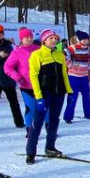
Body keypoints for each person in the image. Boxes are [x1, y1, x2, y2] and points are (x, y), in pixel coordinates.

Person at [25, 29, 72, 164]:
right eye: (51, 38)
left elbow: (64, 75)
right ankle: (30, 151)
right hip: (44, 93)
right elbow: (33, 77)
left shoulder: (59, 55)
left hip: (59, 93)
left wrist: (69, 91)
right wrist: (38, 97)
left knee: (54, 120)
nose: (54, 40)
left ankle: (50, 147)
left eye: (55, 38)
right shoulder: (37, 55)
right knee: (38, 122)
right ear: (44, 40)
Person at [3, 27, 38, 127]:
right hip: (26, 85)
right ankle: (29, 129)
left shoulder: (38, 49)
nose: (29, 39)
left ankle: (49, 130)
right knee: (30, 108)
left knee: (43, 107)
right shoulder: (17, 52)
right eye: (26, 37)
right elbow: (7, 67)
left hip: (40, 84)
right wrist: (17, 77)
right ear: (21, 39)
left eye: (30, 37)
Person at [63, 30, 90, 123]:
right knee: (72, 96)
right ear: (80, 39)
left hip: (84, 76)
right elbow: (64, 56)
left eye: (87, 39)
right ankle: (68, 116)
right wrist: (71, 65)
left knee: (86, 95)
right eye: (84, 39)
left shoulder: (88, 48)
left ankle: (88, 113)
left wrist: (88, 62)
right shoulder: (73, 47)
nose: (86, 41)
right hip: (73, 76)